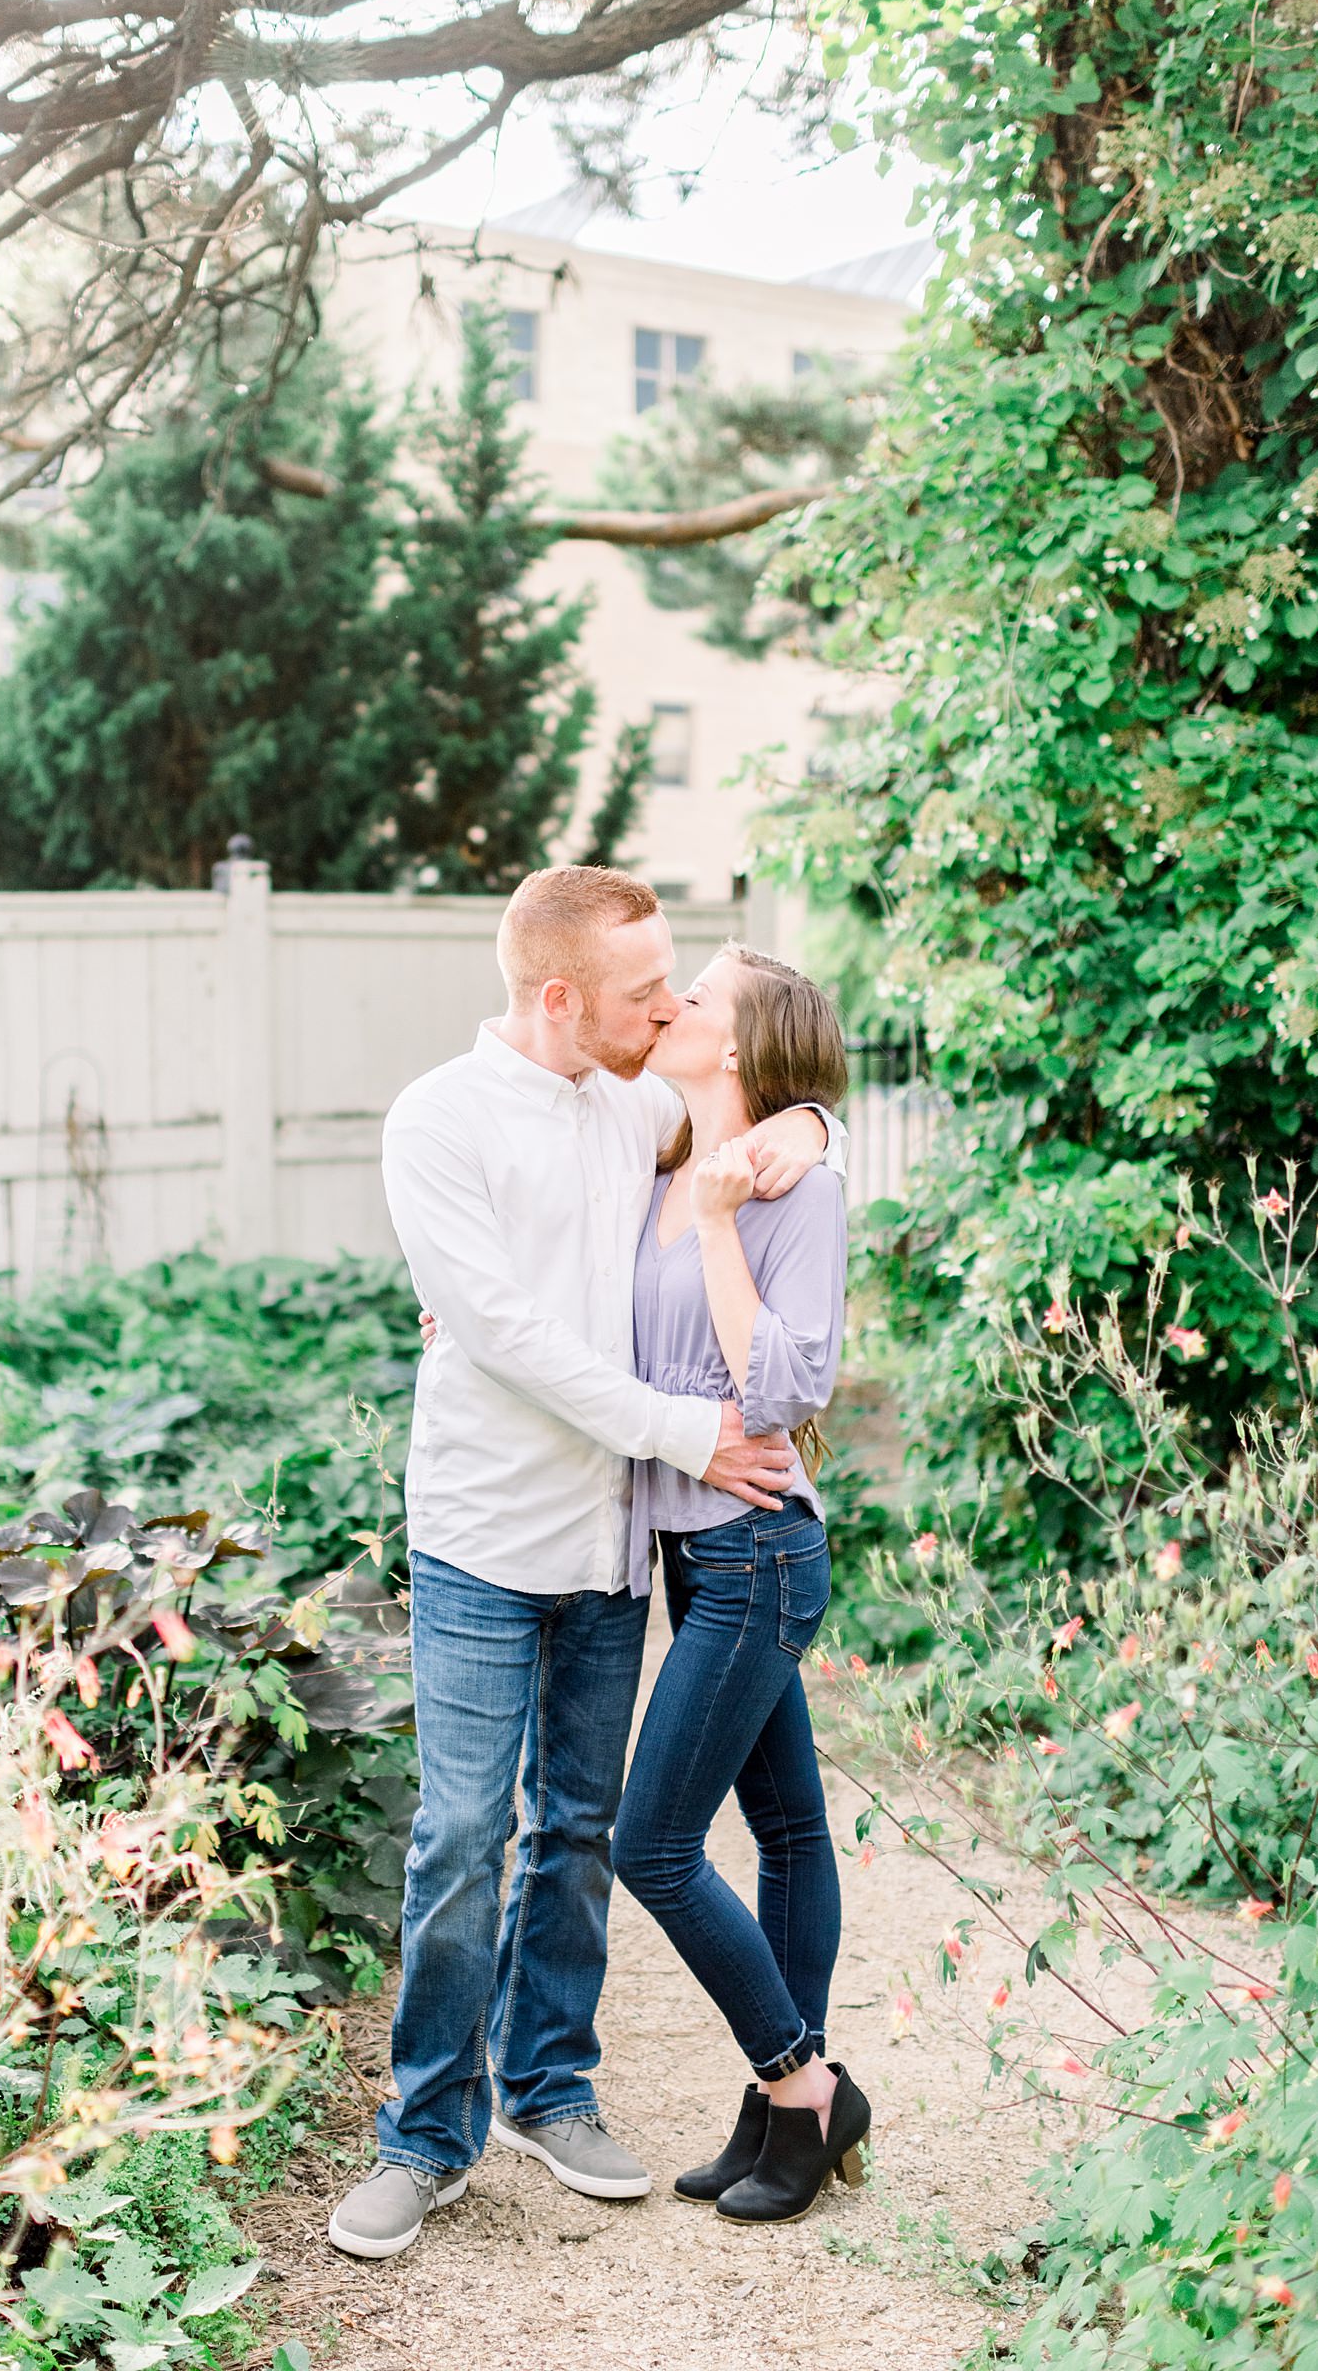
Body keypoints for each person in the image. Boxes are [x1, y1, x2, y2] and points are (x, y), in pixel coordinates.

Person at [326, 866, 847, 2260]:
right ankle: (423, 2135)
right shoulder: (435, 1120)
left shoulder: (640, 1106)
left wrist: (811, 1119)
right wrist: (688, 1429)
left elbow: (763, 1094)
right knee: (457, 1840)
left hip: (614, 1543)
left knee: (572, 1832)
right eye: (641, 991)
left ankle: (548, 2092)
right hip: (485, 1538)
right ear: (558, 998)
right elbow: (500, 1329)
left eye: (676, 982)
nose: (667, 1006)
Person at [609, 941, 870, 2222]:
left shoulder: (784, 1189)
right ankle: (778, 2116)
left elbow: (781, 1388)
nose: (673, 1006)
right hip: (687, 1549)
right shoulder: (659, 1156)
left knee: (651, 1843)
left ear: (744, 1045)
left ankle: (801, 2086)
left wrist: (726, 1220)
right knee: (786, 1832)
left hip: (758, 1543)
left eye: (697, 996)